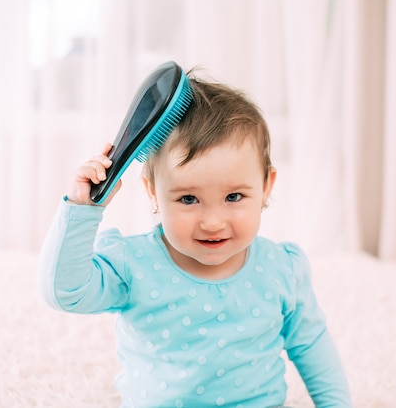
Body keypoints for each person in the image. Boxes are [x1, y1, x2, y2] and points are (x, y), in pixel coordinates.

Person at [38, 72, 352, 408]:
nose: (213, 223)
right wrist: (82, 210)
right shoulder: (132, 264)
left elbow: (311, 344)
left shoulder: (282, 269)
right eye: (188, 199)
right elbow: (64, 293)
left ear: (266, 187)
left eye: (234, 197)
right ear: (153, 193)